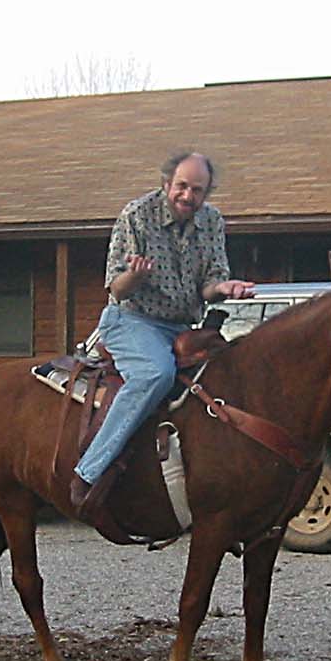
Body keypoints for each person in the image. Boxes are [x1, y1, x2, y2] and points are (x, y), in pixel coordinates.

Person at [68, 152, 255, 520]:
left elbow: (209, 284)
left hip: (184, 326)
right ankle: (90, 470)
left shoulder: (213, 221)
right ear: (167, 183)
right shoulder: (136, 216)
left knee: (226, 379)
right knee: (156, 373)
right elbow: (117, 289)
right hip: (133, 320)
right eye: (182, 186)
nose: (188, 196)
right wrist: (134, 276)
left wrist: (225, 287)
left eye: (197, 190)